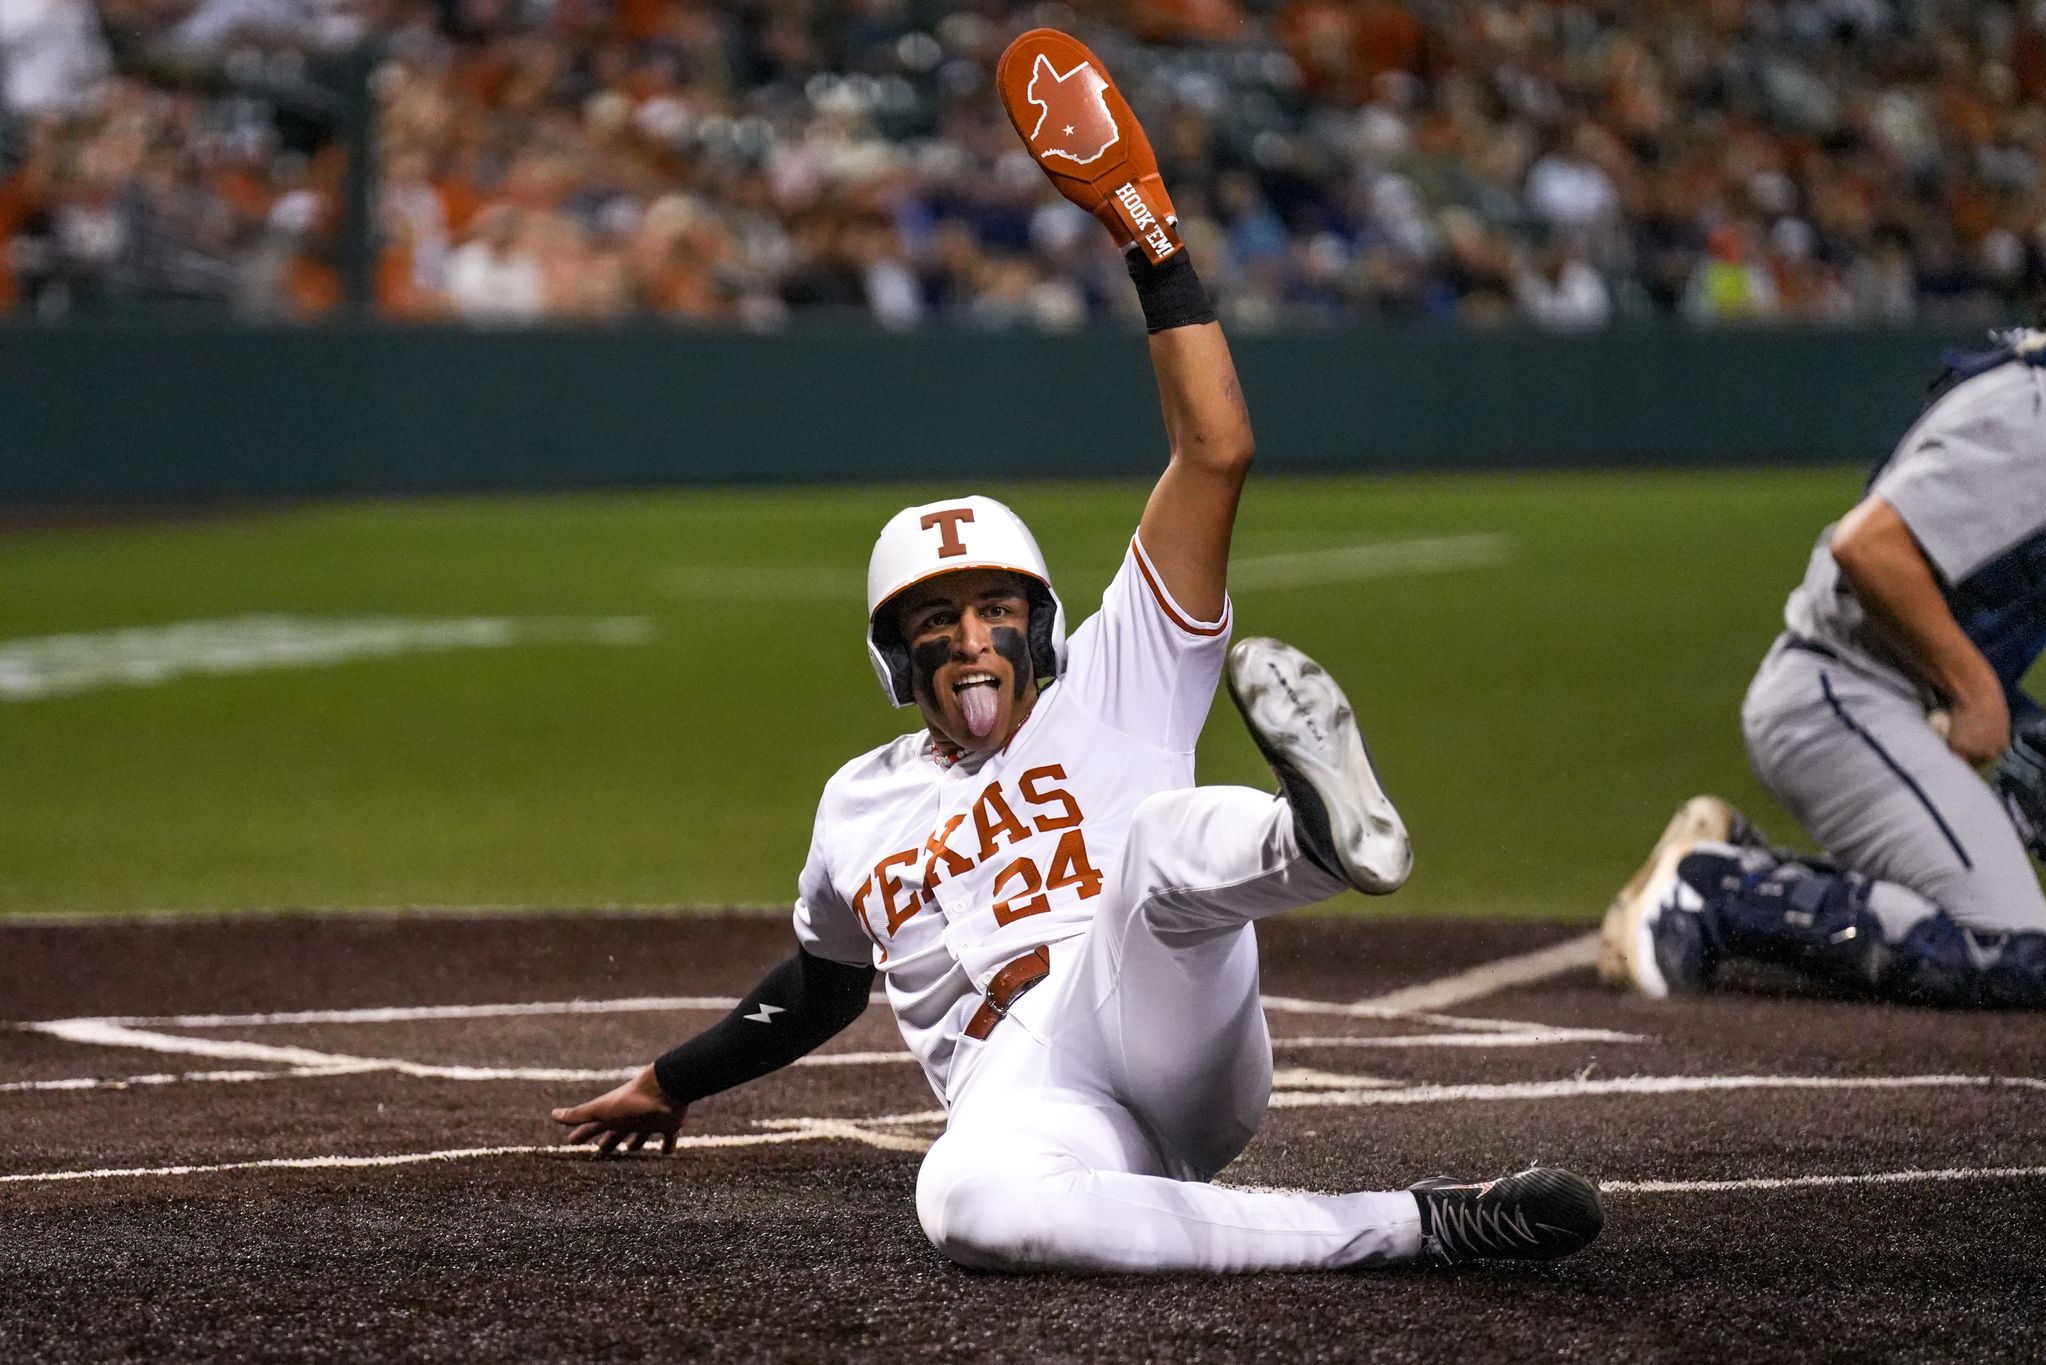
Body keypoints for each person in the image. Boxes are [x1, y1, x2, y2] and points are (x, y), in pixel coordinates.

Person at [551, 28, 1604, 1274]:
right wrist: (674, 1080)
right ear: (893, 659)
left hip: (1165, 1014)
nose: (970, 637)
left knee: (1155, 855)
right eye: (932, 624)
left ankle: (1313, 838)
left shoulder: (1116, 673)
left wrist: (1144, 230)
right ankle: (1420, 1225)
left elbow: (1213, 451)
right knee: (970, 1209)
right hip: (1030, 1093)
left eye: (995, 607)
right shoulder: (855, 804)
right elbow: (826, 982)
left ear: (1041, 620)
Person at [1603, 329, 2046, 1008]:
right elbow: (1869, 547)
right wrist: (1974, 686)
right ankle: (1712, 887)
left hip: (1883, 695)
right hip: (1844, 697)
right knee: (2011, 946)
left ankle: (1747, 861)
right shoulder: (2034, 417)